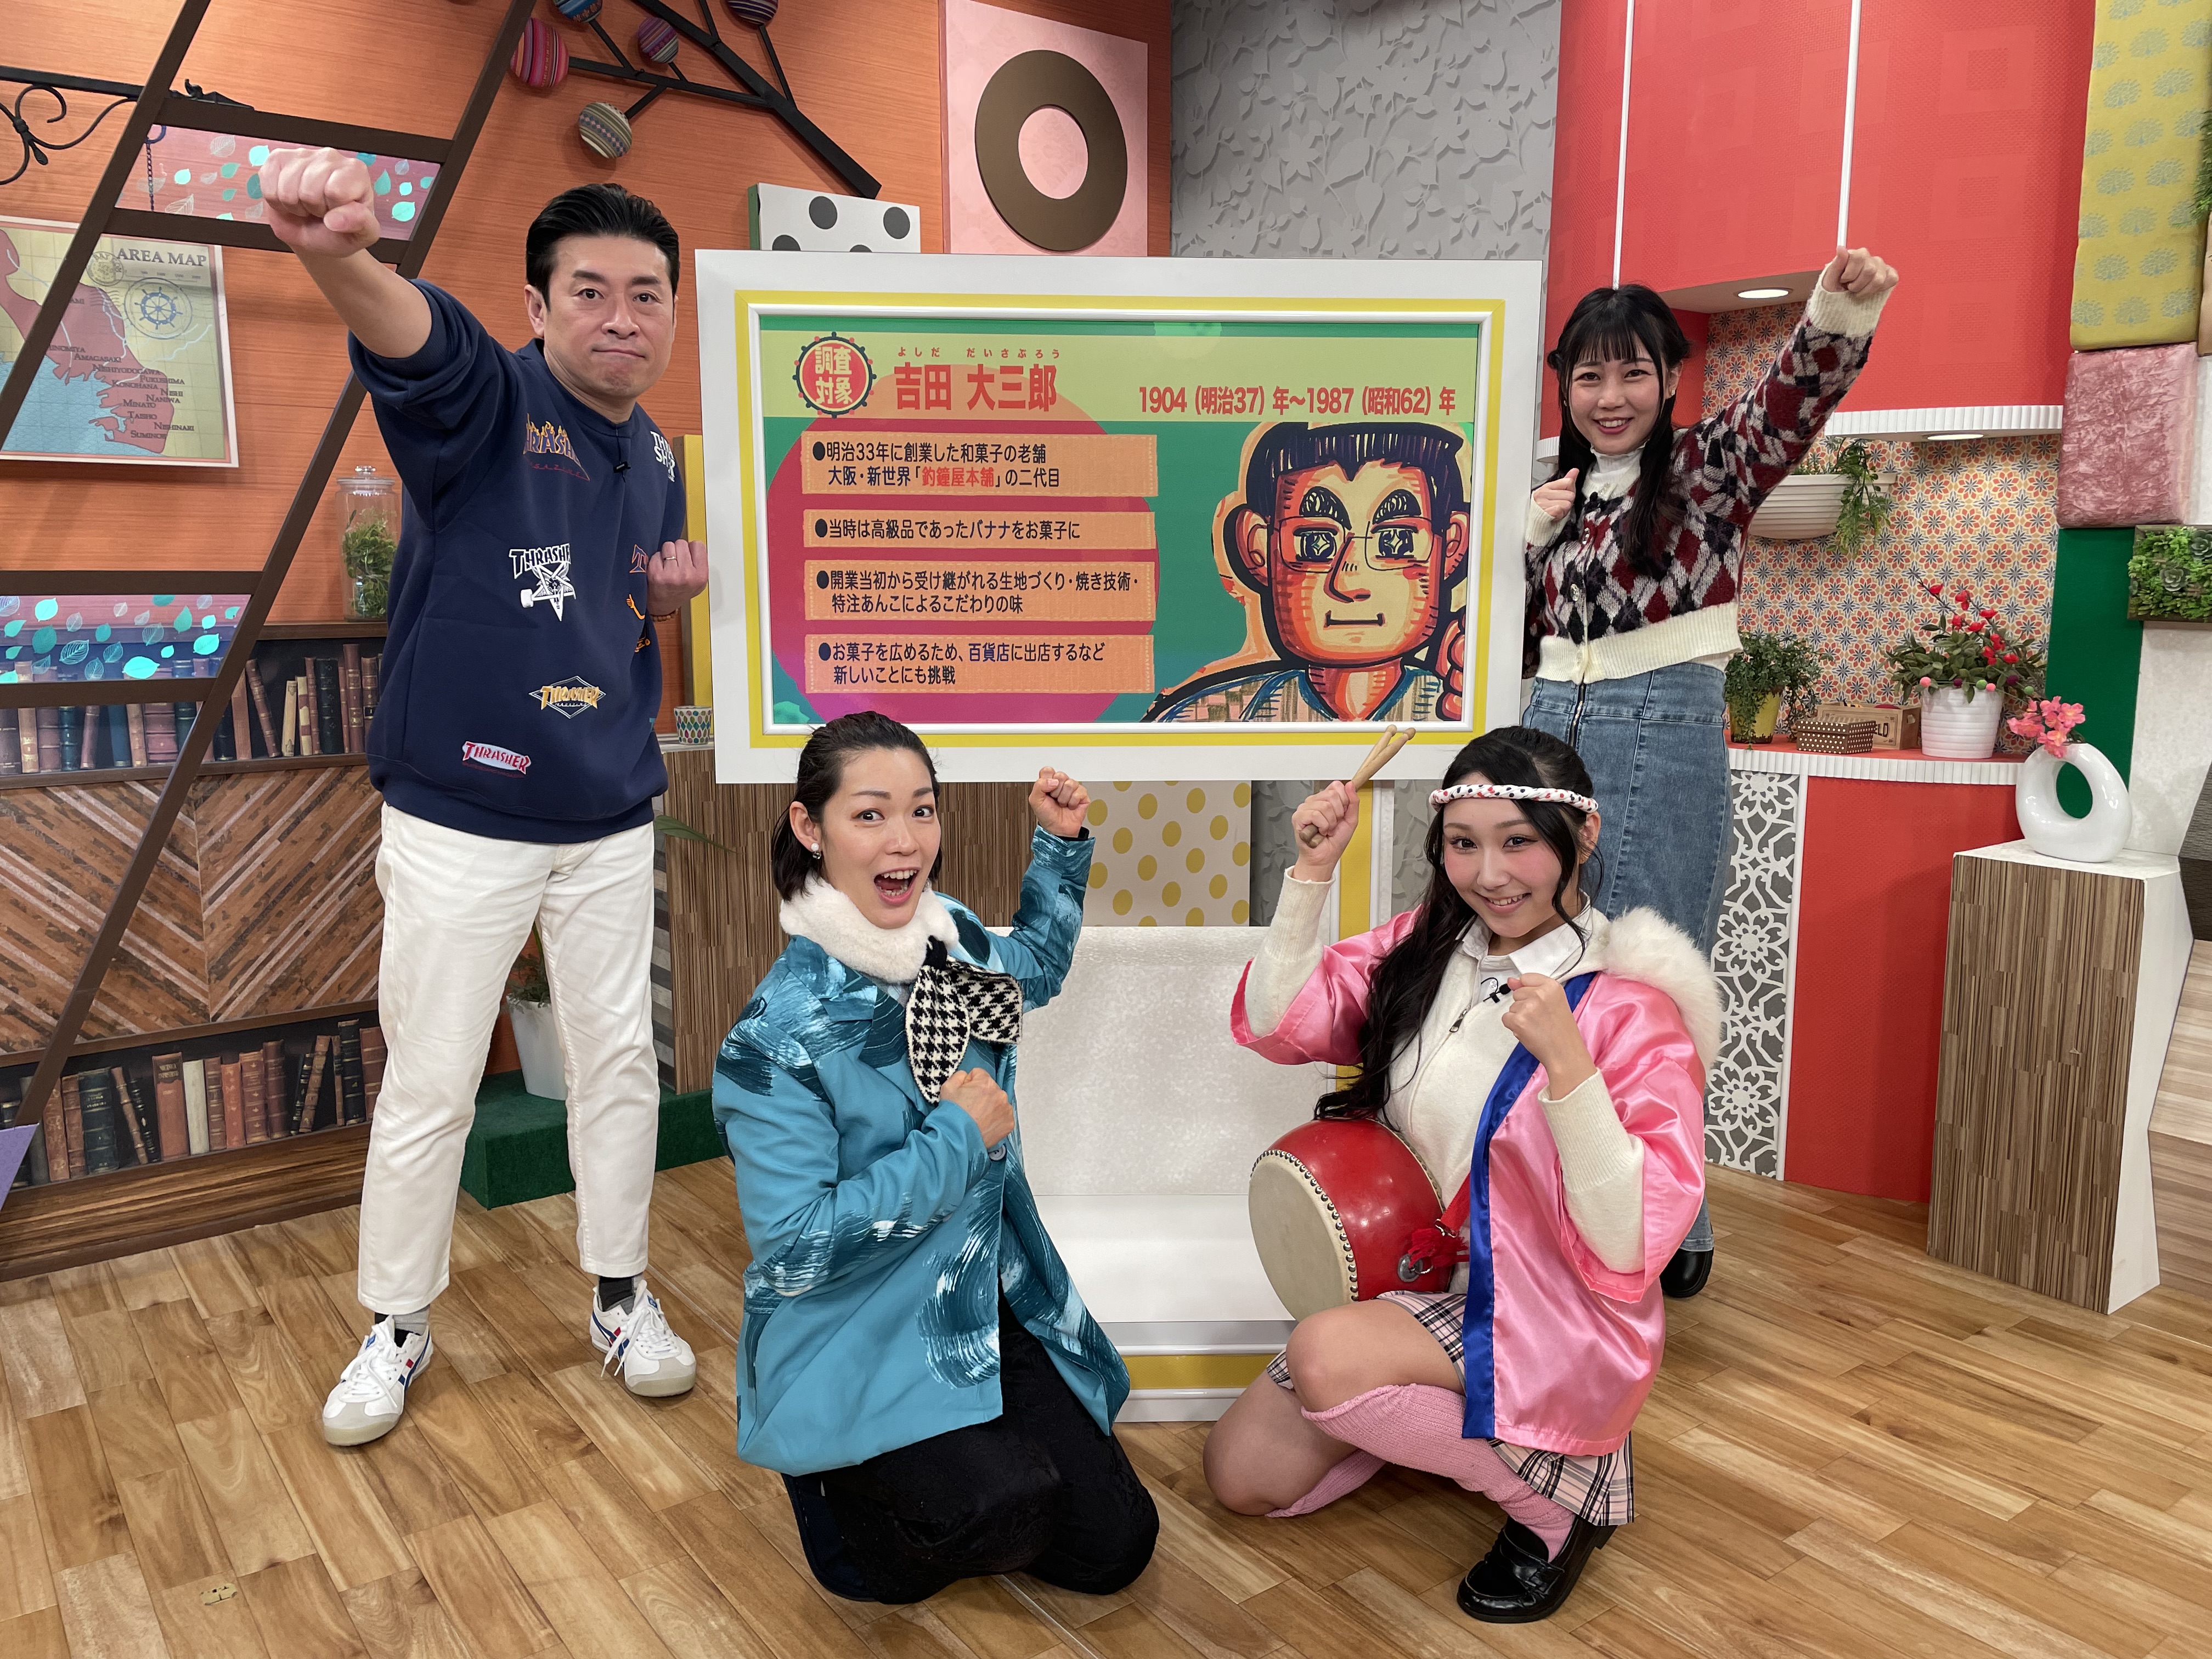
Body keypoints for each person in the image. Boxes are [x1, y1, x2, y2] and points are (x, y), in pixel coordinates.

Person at [257, 149, 711, 1446]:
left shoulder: (656, 454)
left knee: (619, 1065)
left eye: (646, 295)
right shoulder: (492, 402)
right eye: (590, 292)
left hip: (610, 810)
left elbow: (608, 608)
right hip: (463, 815)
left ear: (671, 314)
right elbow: (422, 345)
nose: (621, 318)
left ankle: (620, 1296)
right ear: (538, 306)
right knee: (435, 1080)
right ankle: (397, 1323)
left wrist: (661, 602)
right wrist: (343, 258)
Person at [1204, 726, 1715, 1623]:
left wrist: (1570, 1069)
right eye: (1463, 843)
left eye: (1518, 841)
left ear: (1582, 835)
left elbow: (1632, 1237)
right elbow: (1278, 1022)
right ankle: (1423, 1407)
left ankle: (1562, 1500)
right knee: (1240, 1476)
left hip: (1545, 1308)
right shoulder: (1429, 947)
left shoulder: (1630, 1008)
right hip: (1414, 1281)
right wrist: (1311, 872)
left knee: (1323, 1356)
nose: (1490, 874)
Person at [714, 711, 1158, 1605]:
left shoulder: (944, 936)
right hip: (857, 1322)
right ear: (810, 827)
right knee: (1000, 1505)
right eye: (870, 814)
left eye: (922, 810)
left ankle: (972, 1462)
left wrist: (1059, 847)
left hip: (980, 1291)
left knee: (1115, 1547)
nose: (905, 839)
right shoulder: (774, 1038)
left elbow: (1034, 969)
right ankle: (834, 1495)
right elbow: (795, 1248)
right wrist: (956, 1135)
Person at [1523, 246, 1898, 1297]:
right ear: (1565, 386)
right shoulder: (1555, 497)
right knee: (1549, 965)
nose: (1609, 395)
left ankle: (1672, 1217)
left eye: (1631, 372)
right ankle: (1565, 1197)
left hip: (1659, 726)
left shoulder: (1707, 466)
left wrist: (1835, 313)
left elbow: (1789, 401)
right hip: (1548, 729)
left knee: (1652, 974)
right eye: (1589, 375)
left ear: (1666, 379)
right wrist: (1528, 541)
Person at [1147, 421, 1470, 723]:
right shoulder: (1207, 718)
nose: (1350, 582)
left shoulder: (1458, 707)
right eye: (1315, 542)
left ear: (1451, 546)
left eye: (1396, 540)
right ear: (1258, 548)